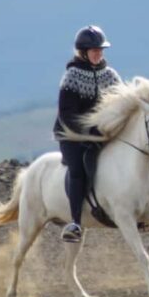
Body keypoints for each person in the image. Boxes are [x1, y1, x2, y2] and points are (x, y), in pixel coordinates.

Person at [53, 25, 122, 242]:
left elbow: (122, 103)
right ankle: (75, 223)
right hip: (71, 134)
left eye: (100, 50)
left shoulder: (110, 75)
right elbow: (66, 114)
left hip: (102, 133)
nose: (98, 53)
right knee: (78, 167)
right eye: (94, 50)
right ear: (83, 52)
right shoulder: (72, 76)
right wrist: (88, 130)